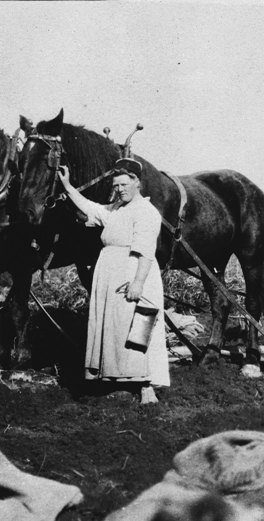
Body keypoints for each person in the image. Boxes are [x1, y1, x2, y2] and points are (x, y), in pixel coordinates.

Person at [57, 158, 169, 404]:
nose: (120, 190)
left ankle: (145, 384)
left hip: (134, 271)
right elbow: (91, 207)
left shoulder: (146, 211)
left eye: (124, 184)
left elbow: (146, 251)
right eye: (116, 185)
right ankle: (115, 379)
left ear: (137, 183)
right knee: (115, 326)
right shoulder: (116, 209)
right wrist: (67, 186)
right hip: (111, 271)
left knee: (137, 325)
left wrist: (138, 283)